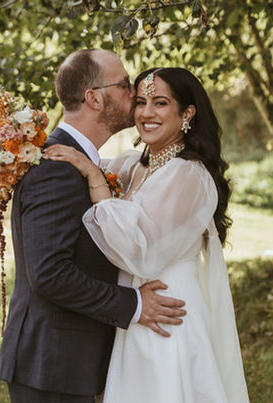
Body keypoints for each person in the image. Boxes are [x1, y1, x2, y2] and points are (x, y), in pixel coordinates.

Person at [44, 67, 250, 402]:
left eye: (160, 103)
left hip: (167, 312)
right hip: (137, 311)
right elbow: (79, 161)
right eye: (140, 102)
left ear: (187, 113)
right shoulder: (130, 166)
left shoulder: (188, 176)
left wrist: (95, 178)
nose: (146, 113)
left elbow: (139, 253)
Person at [0, 51, 187, 403]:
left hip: (67, 362)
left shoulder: (81, 162)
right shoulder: (57, 168)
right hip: (52, 365)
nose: (135, 93)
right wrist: (133, 304)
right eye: (125, 85)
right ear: (94, 98)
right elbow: (49, 273)